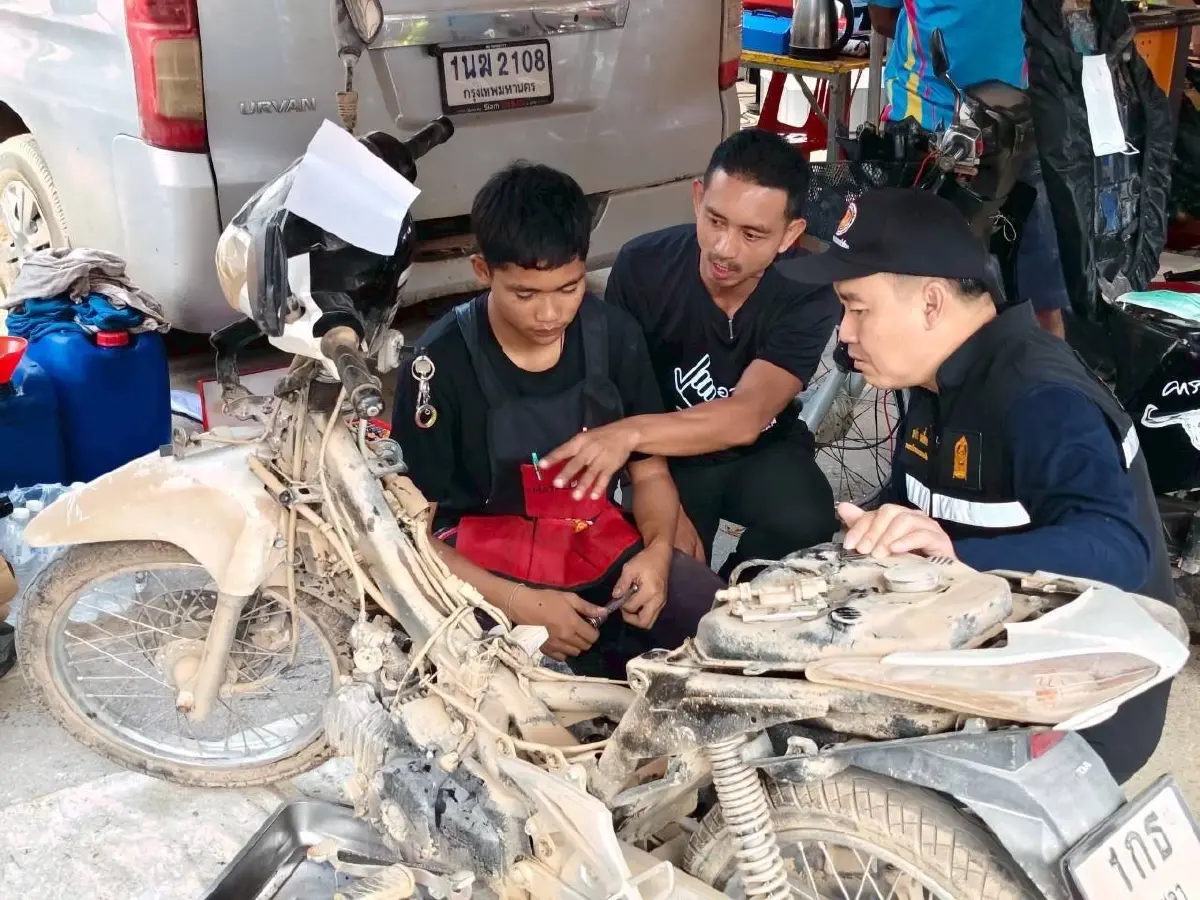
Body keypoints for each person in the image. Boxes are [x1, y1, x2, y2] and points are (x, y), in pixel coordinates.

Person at [776, 187, 1175, 785]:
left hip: (1084, 703)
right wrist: (875, 527)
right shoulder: (935, 380)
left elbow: (1122, 549)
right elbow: (920, 504)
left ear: (932, 303)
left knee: (813, 760)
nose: (845, 334)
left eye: (857, 308)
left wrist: (952, 555)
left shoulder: (1039, 398)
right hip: (993, 647)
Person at [392, 161, 723, 679]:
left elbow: (651, 473)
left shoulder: (613, 336)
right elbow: (412, 531)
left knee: (717, 630)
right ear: (483, 272)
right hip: (478, 566)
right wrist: (522, 604)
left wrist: (656, 554)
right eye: (525, 294)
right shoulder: (438, 365)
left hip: (588, 540)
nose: (550, 314)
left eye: (568, 289)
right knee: (487, 694)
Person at [538, 130, 841, 577]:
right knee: (667, 575)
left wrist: (627, 435)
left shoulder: (808, 291)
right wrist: (660, 502)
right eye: (715, 220)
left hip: (758, 450)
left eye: (752, 234)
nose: (723, 248)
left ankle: (737, 599)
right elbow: (618, 395)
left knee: (806, 519)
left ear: (789, 234)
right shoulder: (643, 266)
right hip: (665, 454)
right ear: (698, 198)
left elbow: (747, 415)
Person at [868, 0, 1072, 337]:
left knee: (1042, 295)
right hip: (929, 122)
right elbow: (882, 18)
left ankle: (1049, 382)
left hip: (1017, 122)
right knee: (925, 290)